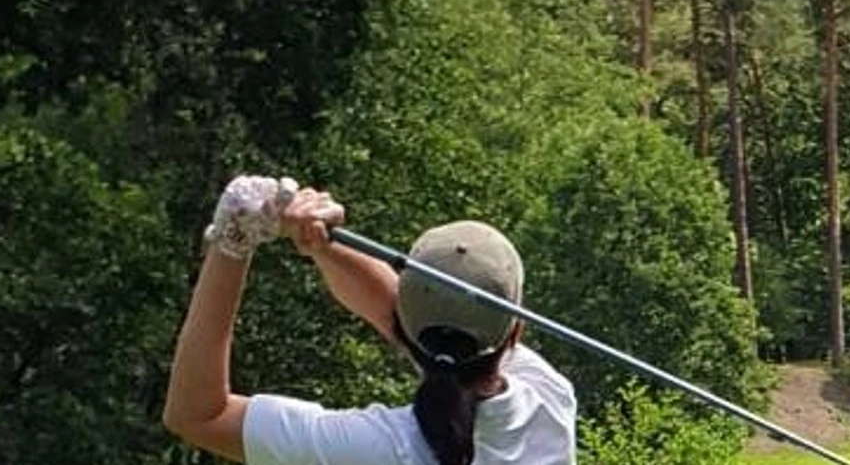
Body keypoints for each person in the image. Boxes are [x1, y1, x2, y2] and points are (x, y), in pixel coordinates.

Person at [162, 175, 578, 465]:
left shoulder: (374, 449)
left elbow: (198, 415)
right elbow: (402, 315)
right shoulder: (551, 402)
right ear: (515, 333)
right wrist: (319, 244)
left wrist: (233, 240)